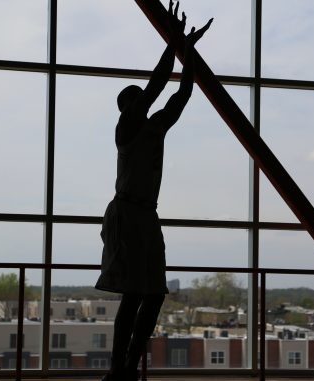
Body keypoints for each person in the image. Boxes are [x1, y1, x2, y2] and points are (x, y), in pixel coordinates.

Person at [95, 2, 212, 380]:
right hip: (130, 213)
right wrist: (176, 42)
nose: (138, 102)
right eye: (132, 101)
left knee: (151, 293)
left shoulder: (153, 127)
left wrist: (187, 51)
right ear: (126, 107)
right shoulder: (127, 129)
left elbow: (182, 93)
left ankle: (126, 365)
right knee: (136, 295)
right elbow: (161, 85)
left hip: (143, 213)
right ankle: (120, 368)